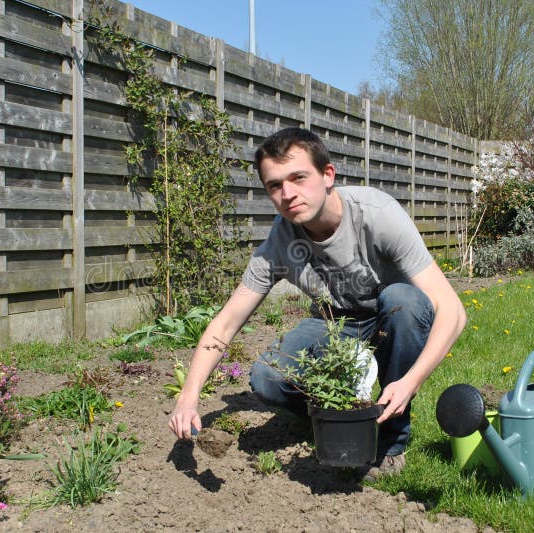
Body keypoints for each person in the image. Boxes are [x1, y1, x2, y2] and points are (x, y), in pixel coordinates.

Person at [168, 127, 466, 479]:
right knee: (267, 377)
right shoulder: (279, 244)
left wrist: (411, 381)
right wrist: (188, 398)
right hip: (335, 321)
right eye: (275, 185)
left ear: (328, 175)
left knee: (405, 299)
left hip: (392, 314)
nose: (288, 194)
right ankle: (336, 416)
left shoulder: (376, 214)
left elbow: (453, 311)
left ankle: (389, 442)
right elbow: (225, 324)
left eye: (298, 177)